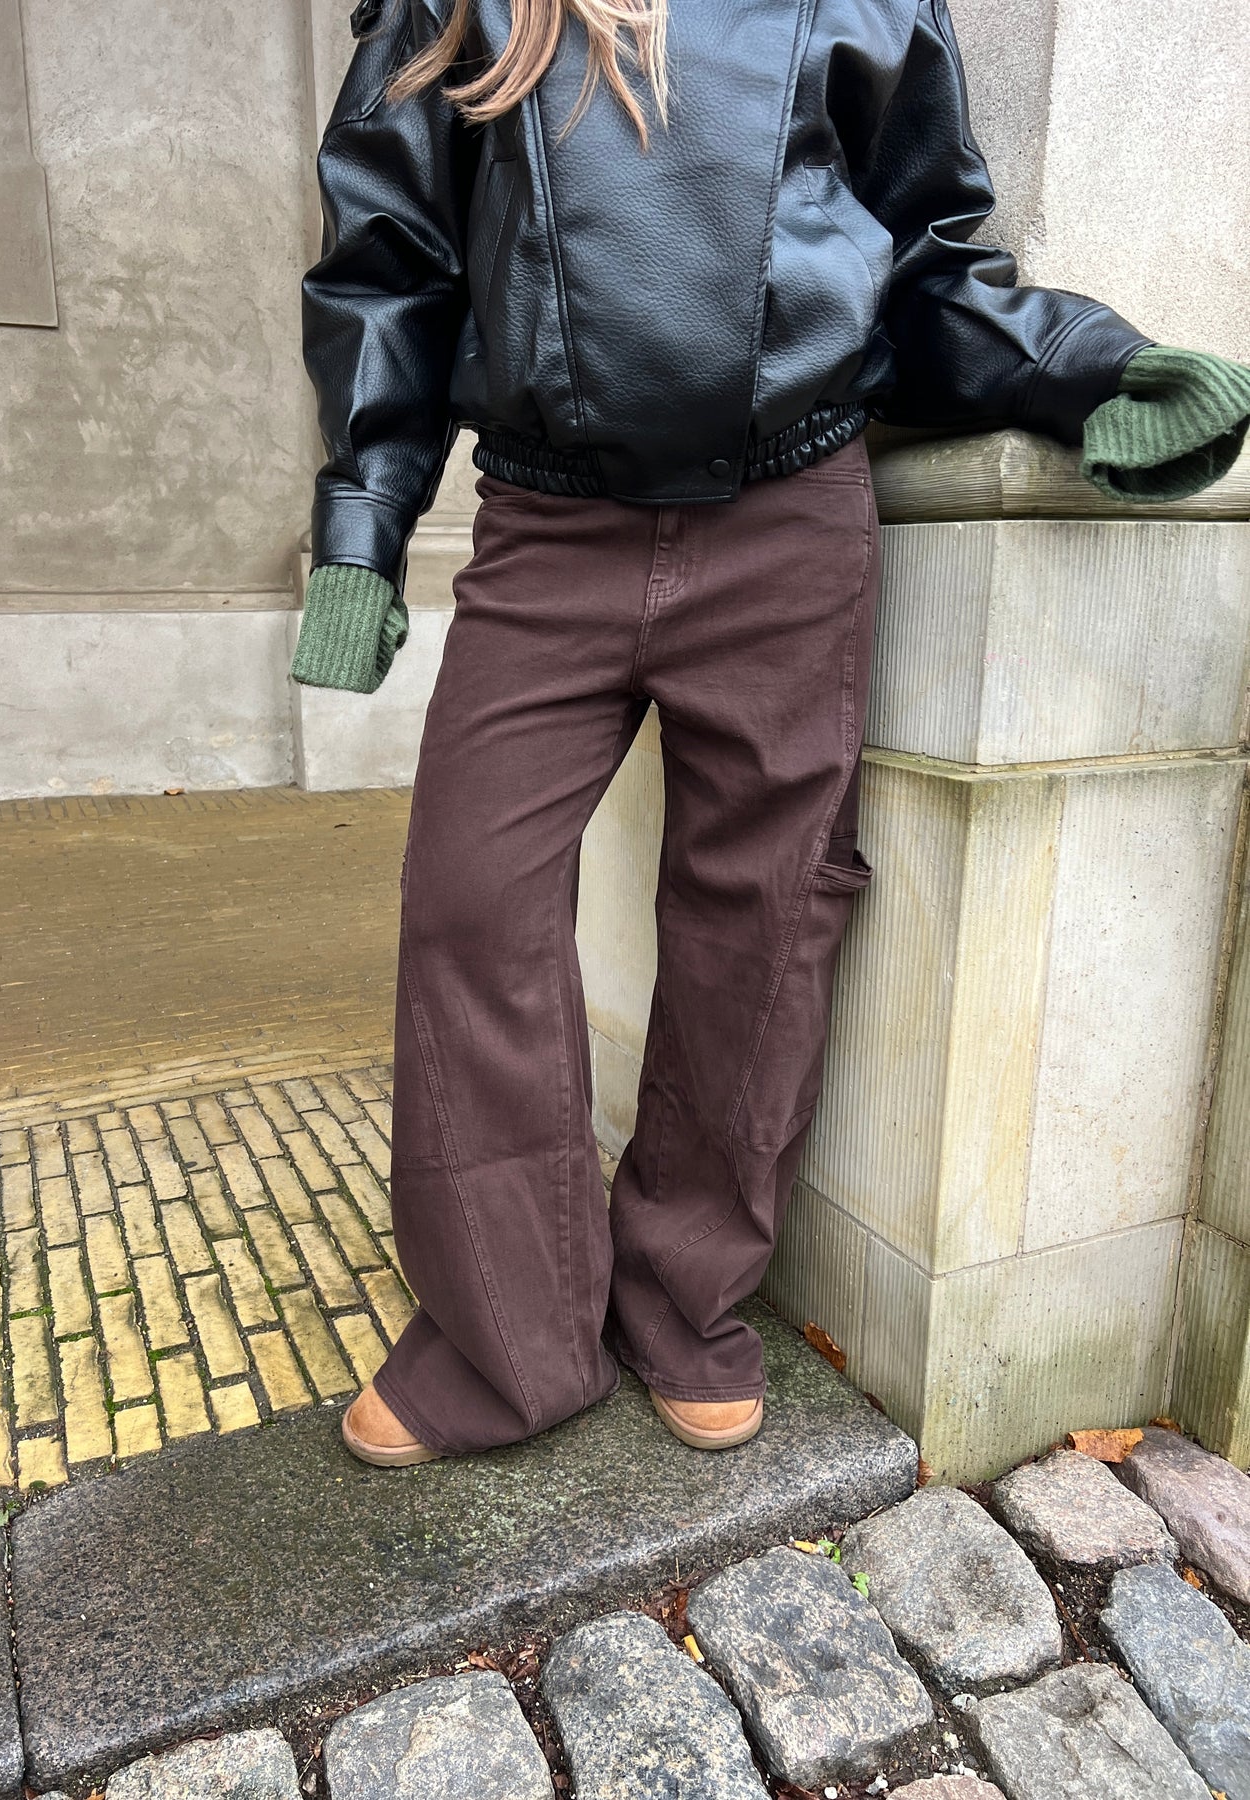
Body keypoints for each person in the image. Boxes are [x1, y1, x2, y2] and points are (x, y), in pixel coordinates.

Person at [292, 0, 1250, 1466]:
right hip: (547, 528)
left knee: (765, 920)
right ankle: (505, 1337)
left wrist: (1090, 365)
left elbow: (925, 262)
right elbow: (389, 260)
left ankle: (680, 1298)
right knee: (469, 902)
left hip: (789, 520)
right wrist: (363, 521)